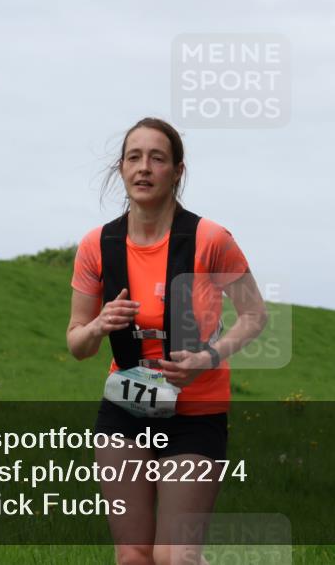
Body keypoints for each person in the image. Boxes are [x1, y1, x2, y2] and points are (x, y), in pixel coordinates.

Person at [66, 118, 267, 565]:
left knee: (176, 556)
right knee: (133, 556)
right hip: (124, 408)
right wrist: (98, 325)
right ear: (121, 168)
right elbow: (78, 344)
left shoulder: (210, 240)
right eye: (134, 157)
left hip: (196, 413)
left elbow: (255, 316)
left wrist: (208, 358)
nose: (144, 167)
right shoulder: (97, 245)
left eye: (157, 158)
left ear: (177, 171)